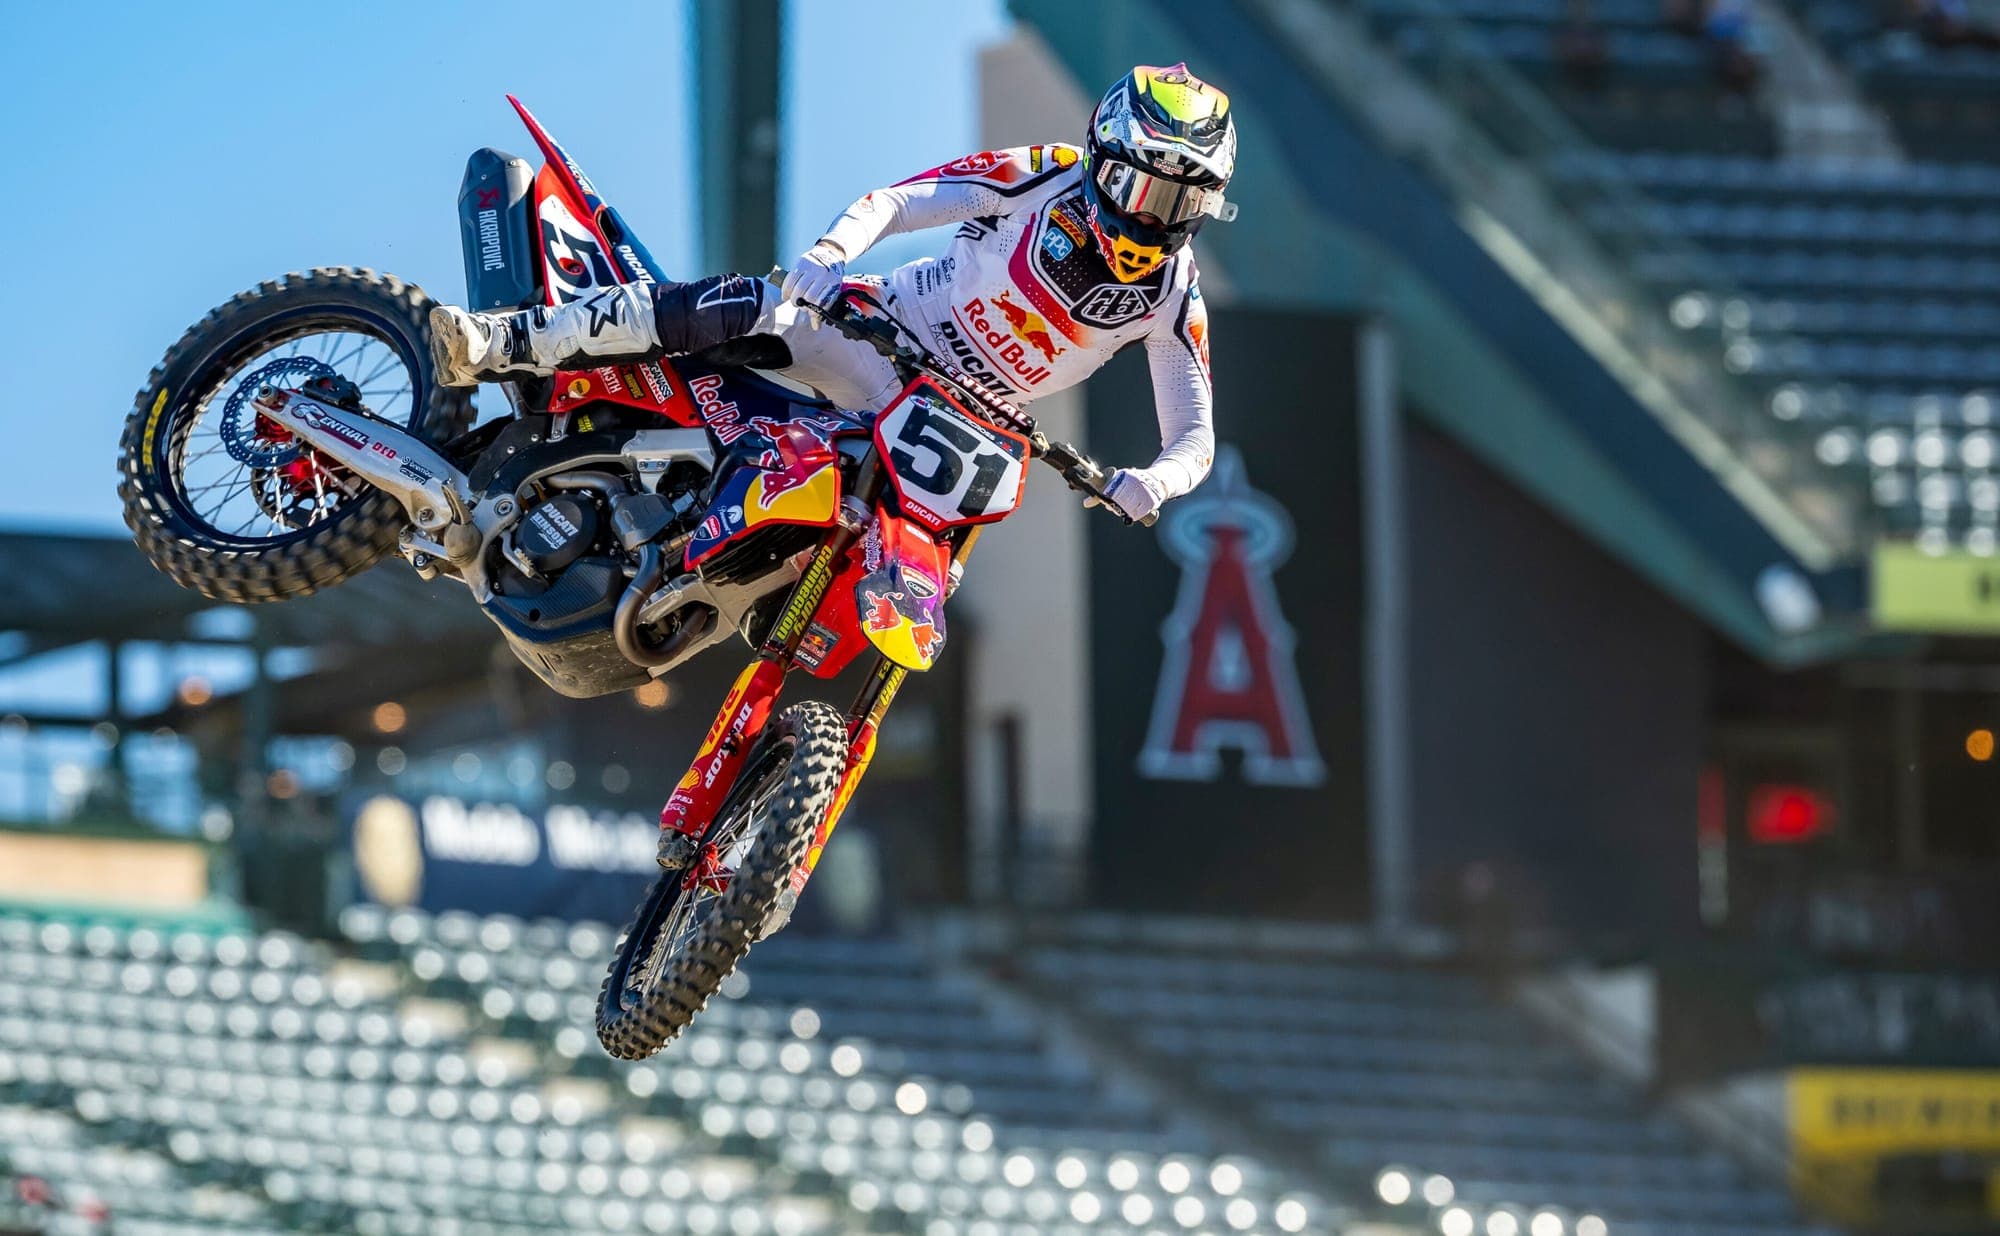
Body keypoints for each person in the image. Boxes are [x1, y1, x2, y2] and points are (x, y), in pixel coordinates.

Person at [430, 63, 1236, 525]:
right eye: (1145, 187)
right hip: (880, 332)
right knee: (752, 303)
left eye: (1183, 204)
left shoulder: (1173, 293)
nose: (1153, 218)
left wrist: (1155, 483)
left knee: (924, 573)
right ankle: (505, 343)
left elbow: (1196, 434)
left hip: (969, 428)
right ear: (1104, 158)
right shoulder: (1041, 172)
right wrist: (828, 255)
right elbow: (899, 201)